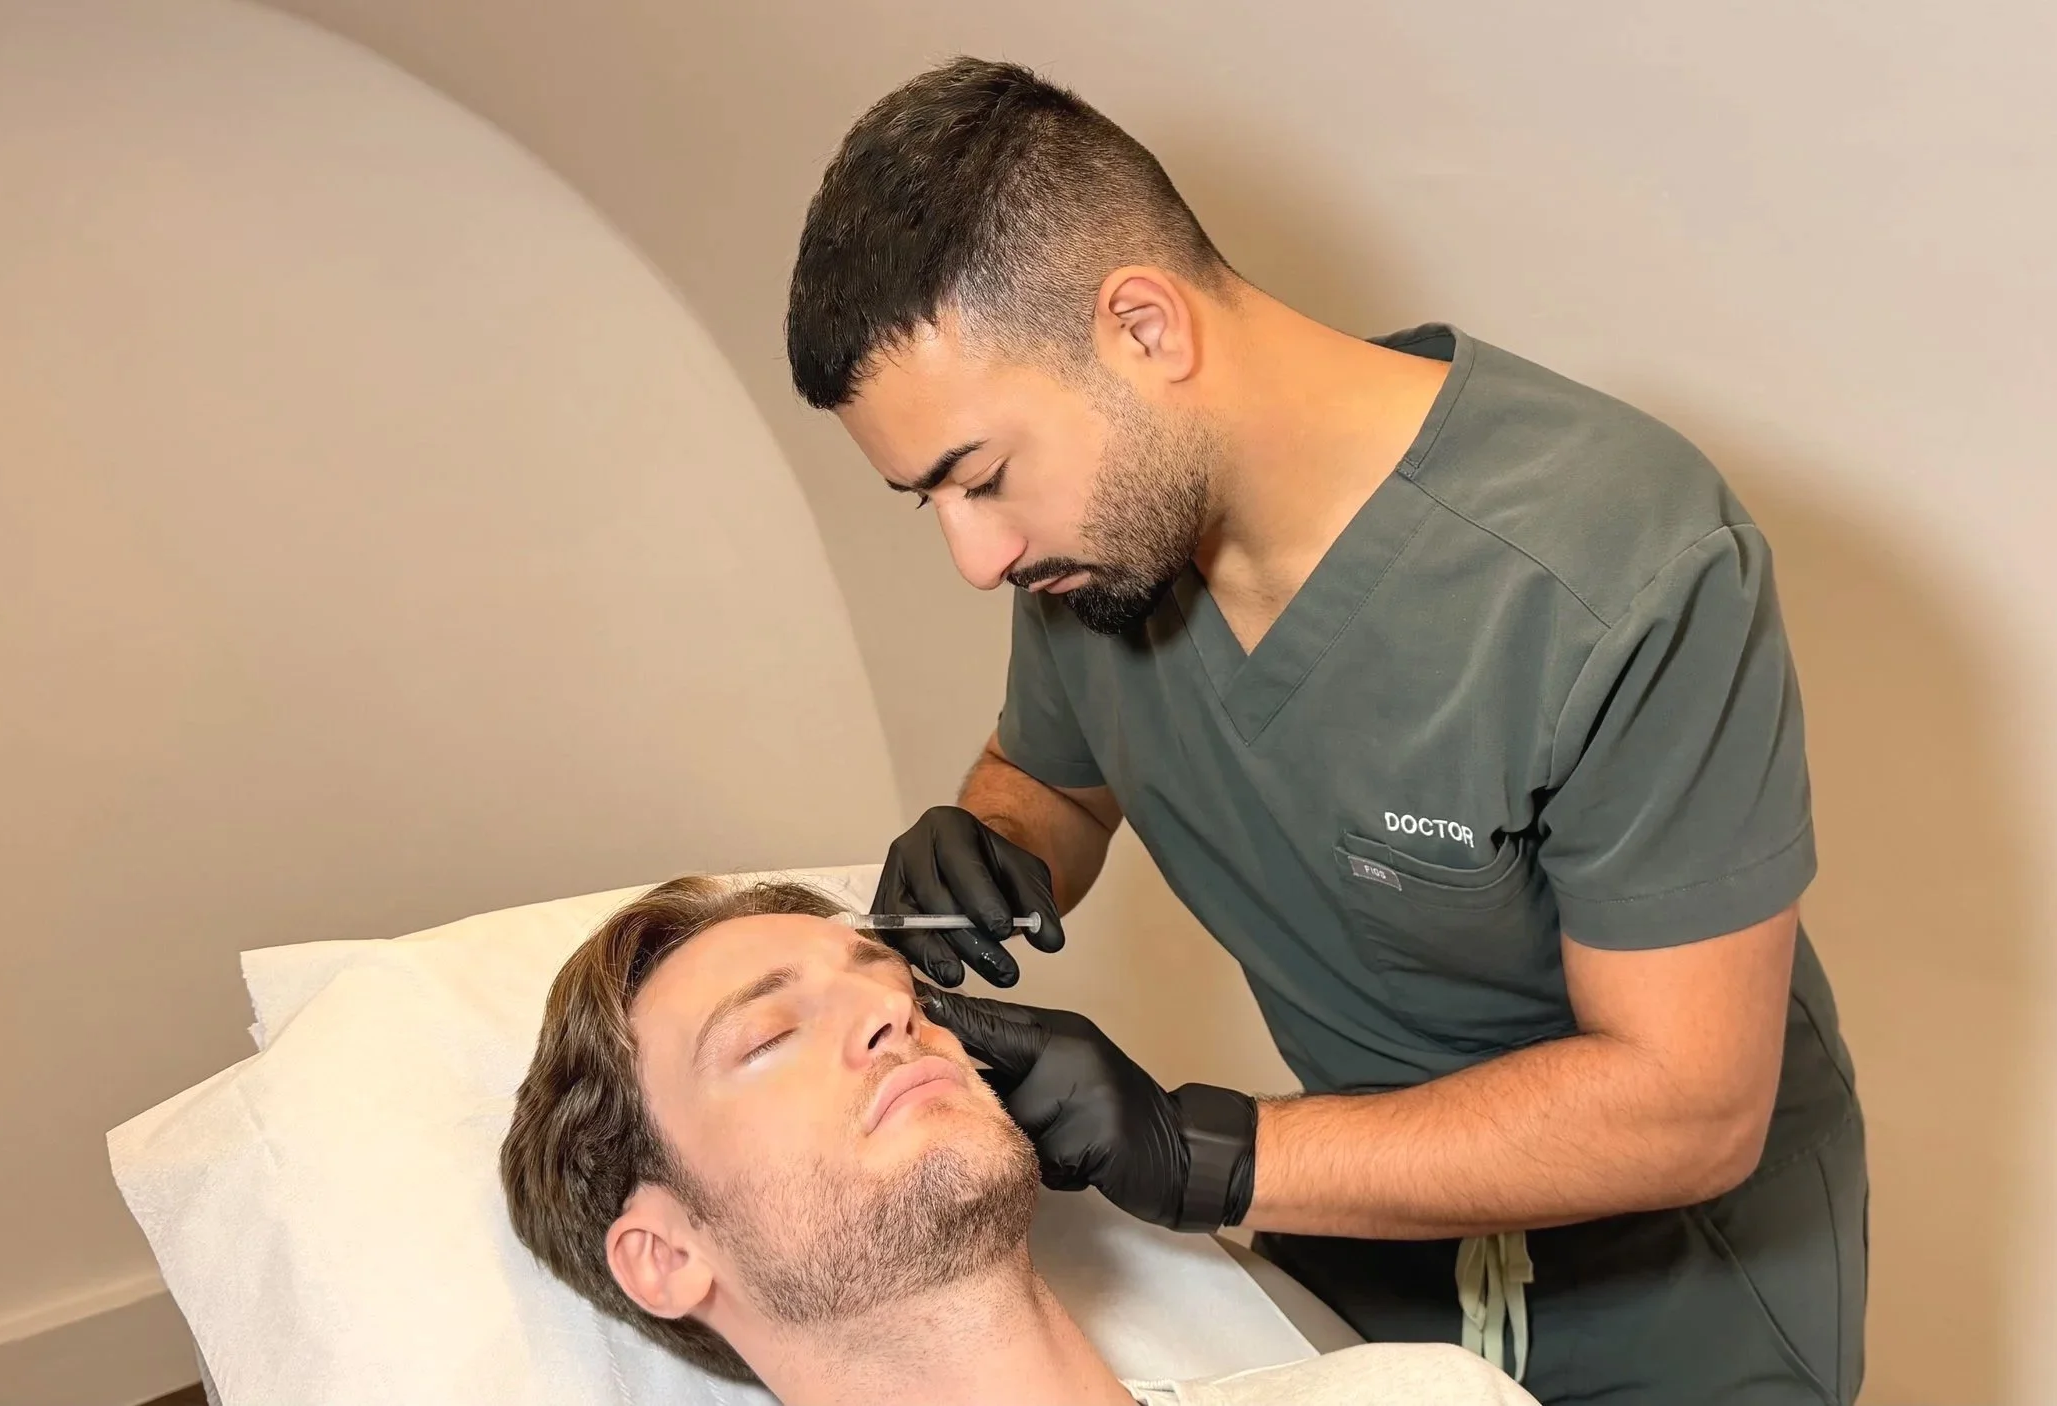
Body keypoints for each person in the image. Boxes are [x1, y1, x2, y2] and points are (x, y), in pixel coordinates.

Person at [783, 58, 1866, 1406]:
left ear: (1143, 327)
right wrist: (995, 838)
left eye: (984, 477)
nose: (975, 554)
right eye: (927, 500)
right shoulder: (1101, 555)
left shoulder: (1613, 566)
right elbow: (1052, 784)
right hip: (1365, 1252)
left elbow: (1690, 1106)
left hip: (1673, 1310)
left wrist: (1201, 1154)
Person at [499, 875, 1534, 1405]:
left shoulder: (1417, 1395)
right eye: (768, 1034)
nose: (892, 1018)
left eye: (896, 990)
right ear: (665, 1251)